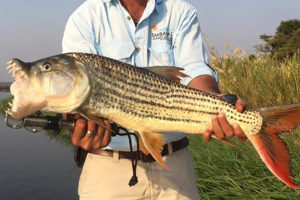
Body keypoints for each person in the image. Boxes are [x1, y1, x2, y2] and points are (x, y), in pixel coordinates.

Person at [62, 0, 247, 199]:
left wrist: (215, 103)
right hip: (107, 170)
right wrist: (79, 124)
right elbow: (74, 90)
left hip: (175, 166)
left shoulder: (180, 10)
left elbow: (194, 68)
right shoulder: (85, 17)